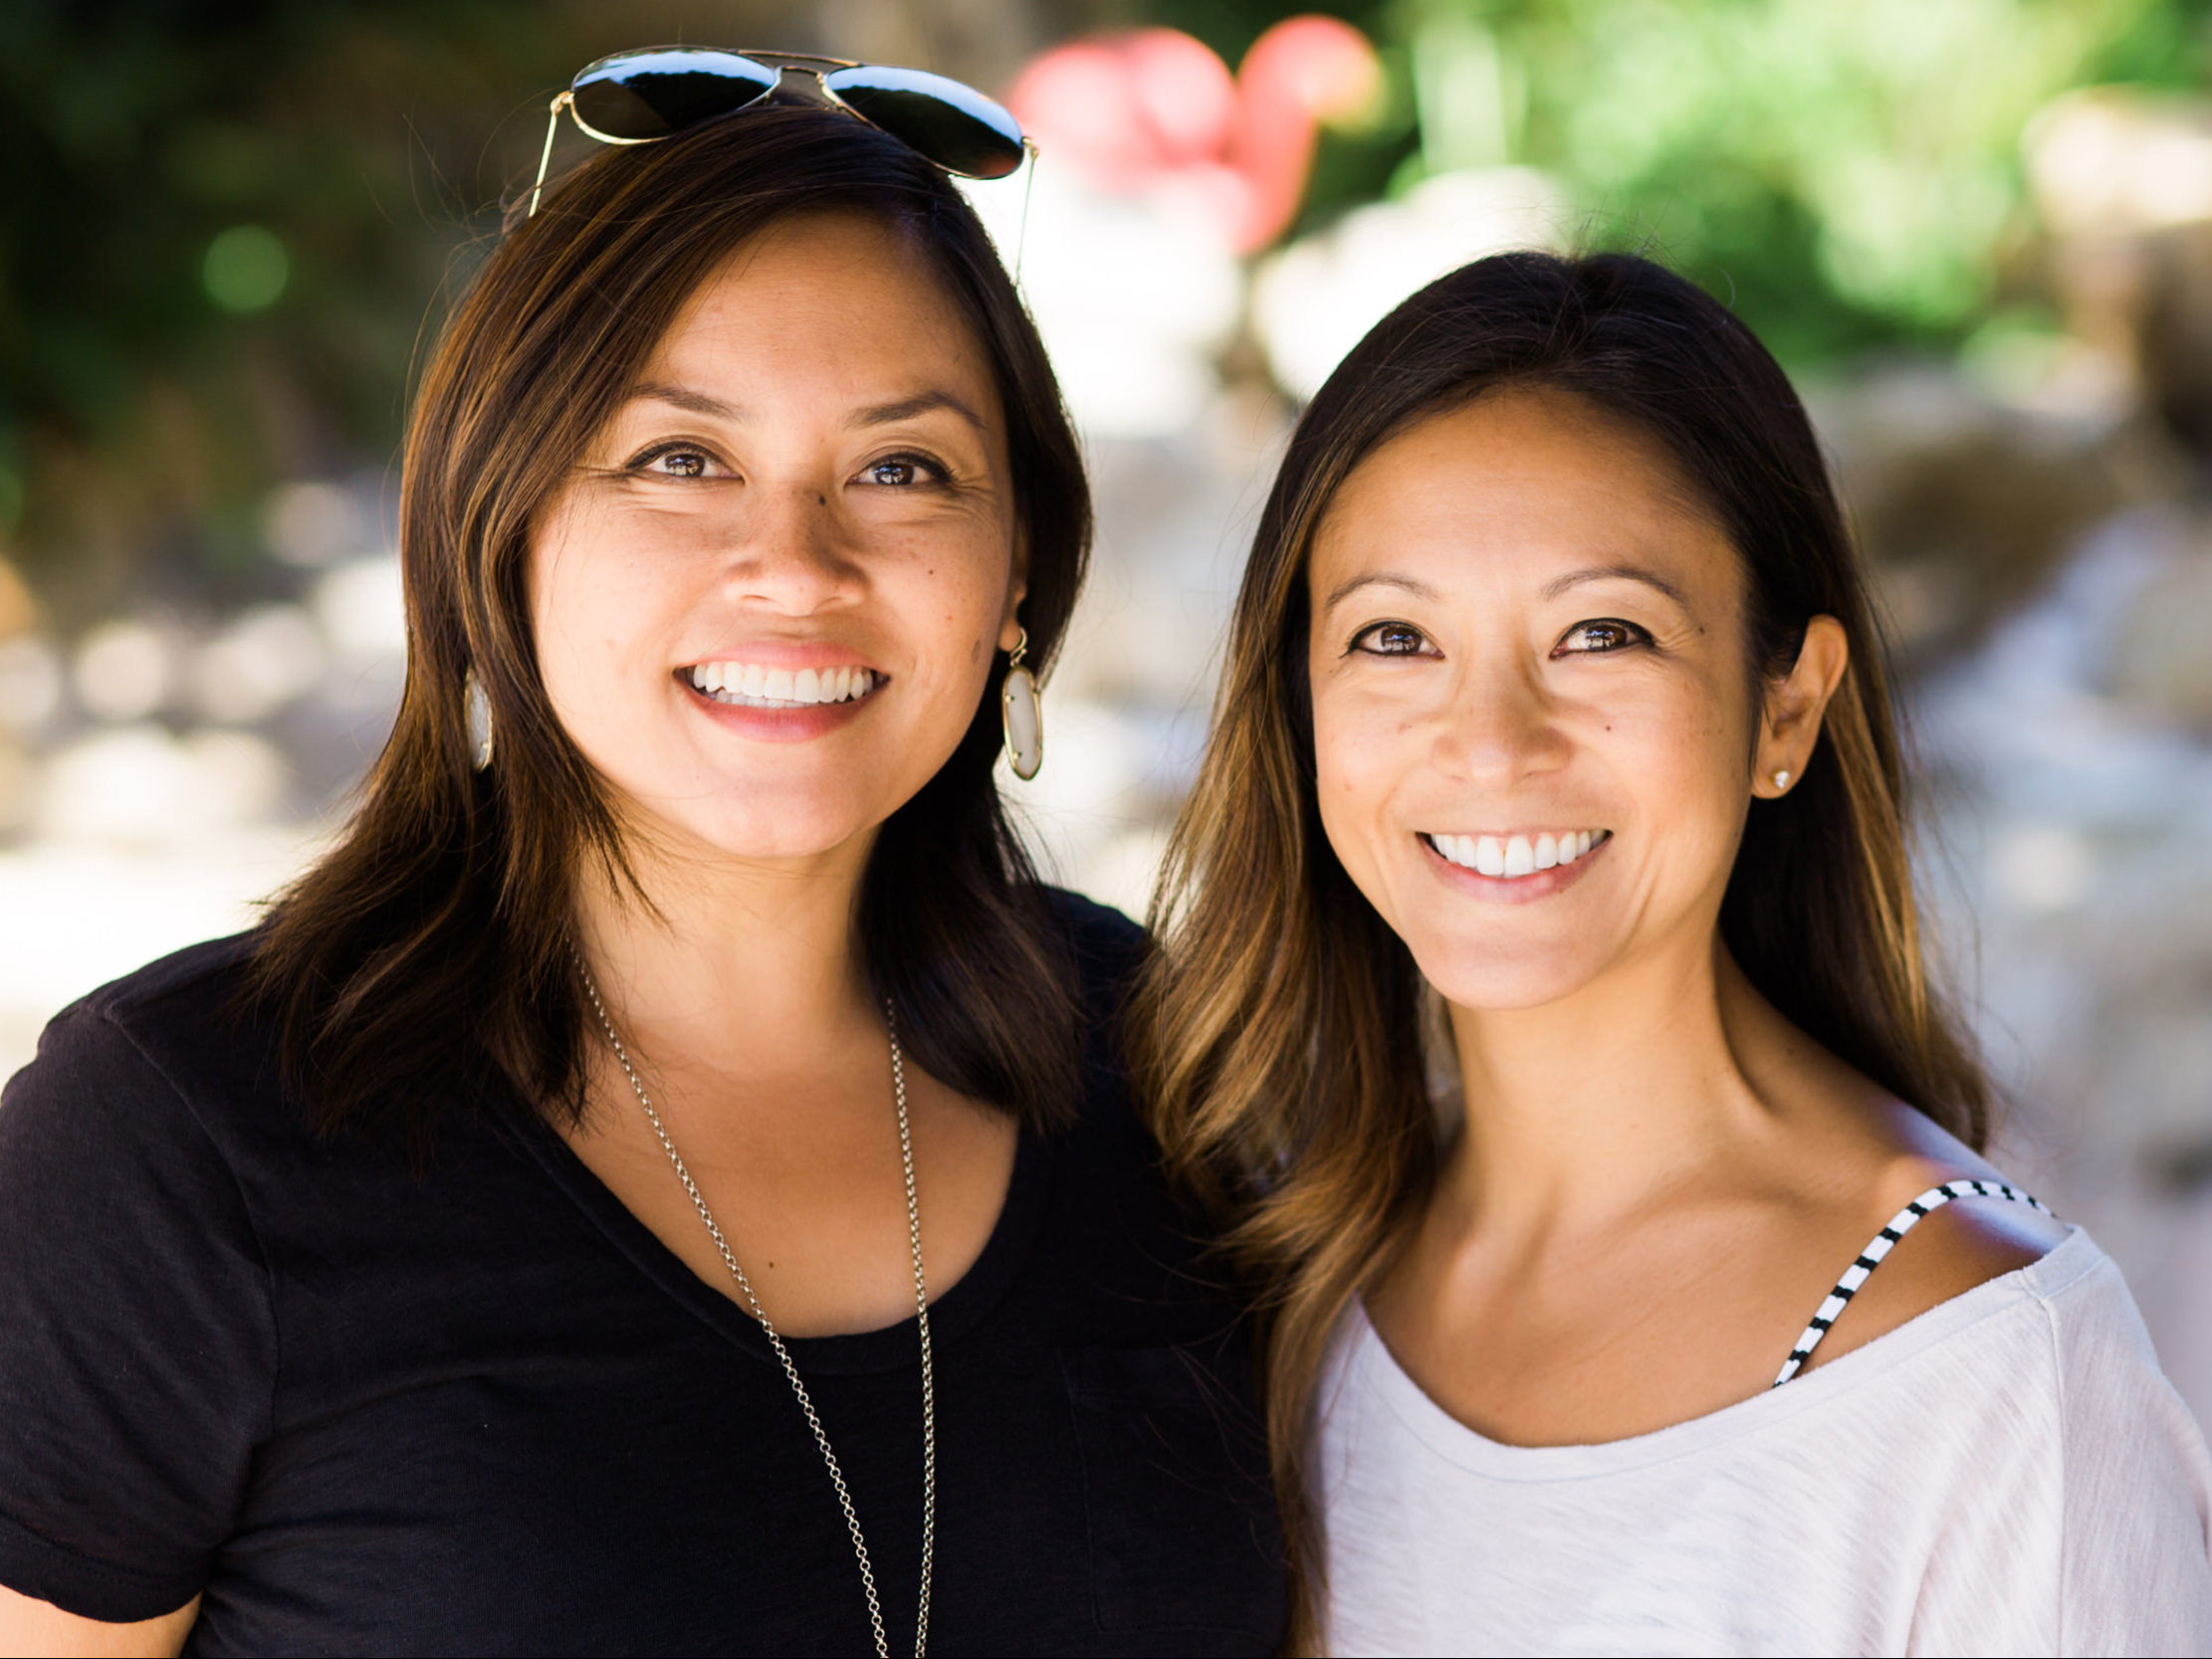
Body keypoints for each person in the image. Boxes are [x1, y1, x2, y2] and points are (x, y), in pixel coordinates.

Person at [0, 52, 1282, 1658]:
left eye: (902, 469)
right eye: (679, 459)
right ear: (499, 530)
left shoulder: (1161, 1061)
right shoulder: (174, 1144)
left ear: (1016, 573)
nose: (793, 565)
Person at [1133, 249, 2212, 1656]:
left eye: (1600, 634)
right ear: (1297, 702)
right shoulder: (1281, 1269)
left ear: (1783, 708)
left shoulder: (1995, 1375)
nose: (1492, 745)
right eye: (1394, 637)